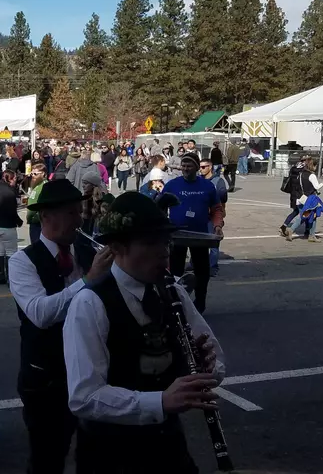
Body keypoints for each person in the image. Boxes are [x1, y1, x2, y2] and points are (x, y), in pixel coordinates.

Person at [65, 191, 225, 474]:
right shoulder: (89, 303)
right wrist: (160, 402)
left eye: (165, 241)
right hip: (110, 455)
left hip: (168, 447)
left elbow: (214, 354)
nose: (164, 251)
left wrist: (206, 368)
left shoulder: (172, 292)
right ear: (117, 246)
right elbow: (85, 396)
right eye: (151, 242)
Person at [7, 179, 116, 474]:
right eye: (71, 213)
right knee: (47, 458)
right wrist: (89, 279)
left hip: (91, 372)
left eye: (78, 212)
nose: (79, 219)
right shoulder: (22, 261)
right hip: (46, 380)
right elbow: (40, 314)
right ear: (46, 218)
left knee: (93, 456)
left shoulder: (85, 250)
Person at [162, 154, 222, 312]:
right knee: (175, 271)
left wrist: (217, 226)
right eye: (184, 165)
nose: (186, 169)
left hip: (200, 236)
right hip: (176, 236)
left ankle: (200, 301)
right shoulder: (172, 185)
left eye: (189, 166)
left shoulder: (207, 186)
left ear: (197, 167)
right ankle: (176, 302)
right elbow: (159, 207)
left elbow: (216, 209)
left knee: (202, 271)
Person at [0, 169, 22, 284]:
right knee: (11, 252)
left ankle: (0, 276)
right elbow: (11, 211)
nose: (15, 181)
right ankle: (10, 278)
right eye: (14, 179)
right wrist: (19, 221)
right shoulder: (10, 193)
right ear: (10, 179)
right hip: (6, 225)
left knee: (0, 250)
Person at [199, 159, 228, 276]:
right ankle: (195, 263)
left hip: (213, 215)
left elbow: (223, 198)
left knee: (214, 241)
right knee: (200, 241)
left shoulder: (218, 181)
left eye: (203, 167)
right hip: (200, 215)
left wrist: (221, 213)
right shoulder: (198, 180)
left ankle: (212, 267)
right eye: (200, 167)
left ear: (210, 167)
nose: (201, 169)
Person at [25, 163, 47, 243]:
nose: (33, 176)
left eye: (35, 174)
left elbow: (33, 207)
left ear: (43, 174)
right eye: (32, 174)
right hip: (38, 222)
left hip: (37, 222)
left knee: (37, 245)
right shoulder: (38, 185)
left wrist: (29, 218)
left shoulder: (42, 187)